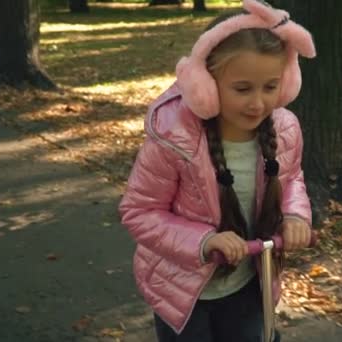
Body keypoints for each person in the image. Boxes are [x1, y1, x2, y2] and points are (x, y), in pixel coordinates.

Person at [118, 0, 316, 341]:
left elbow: (292, 178)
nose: (258, 103)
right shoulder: (174, 137)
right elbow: (139, 211)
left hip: (250, 284)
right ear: (204, 85)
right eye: (242, 89)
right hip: (183, 293)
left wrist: (295, 215)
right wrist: (204, 241)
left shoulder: (284, 129)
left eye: (270, 87)